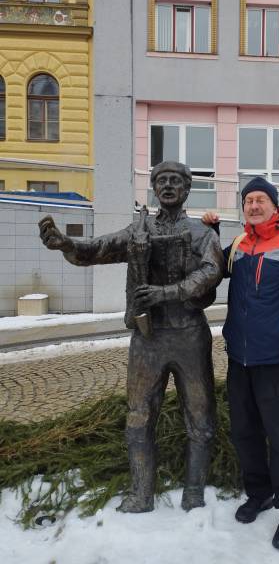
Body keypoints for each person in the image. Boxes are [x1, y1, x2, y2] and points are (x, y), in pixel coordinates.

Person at [39, 161, 224, 513]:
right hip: (147, 338)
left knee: (200, 418)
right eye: (161, 180)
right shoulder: (138, 230)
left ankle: (194, 492)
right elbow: (98, 248)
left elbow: (212, 272)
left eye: (175, 180)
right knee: (139, 417)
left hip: (189, 337)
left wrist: (166, 293)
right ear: (153, 188)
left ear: (187, 189)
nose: (167, 186)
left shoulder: (202, 234)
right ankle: (141, 494)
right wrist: (66, 244)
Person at [203, 176, 279, 551]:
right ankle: (260, 493)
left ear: (274, 205)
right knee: (245, 432)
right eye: (248, 201)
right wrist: (212, 233)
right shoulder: (239, 244)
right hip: (240, 360)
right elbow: (212, 269)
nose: (254, 206)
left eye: (260, 200)